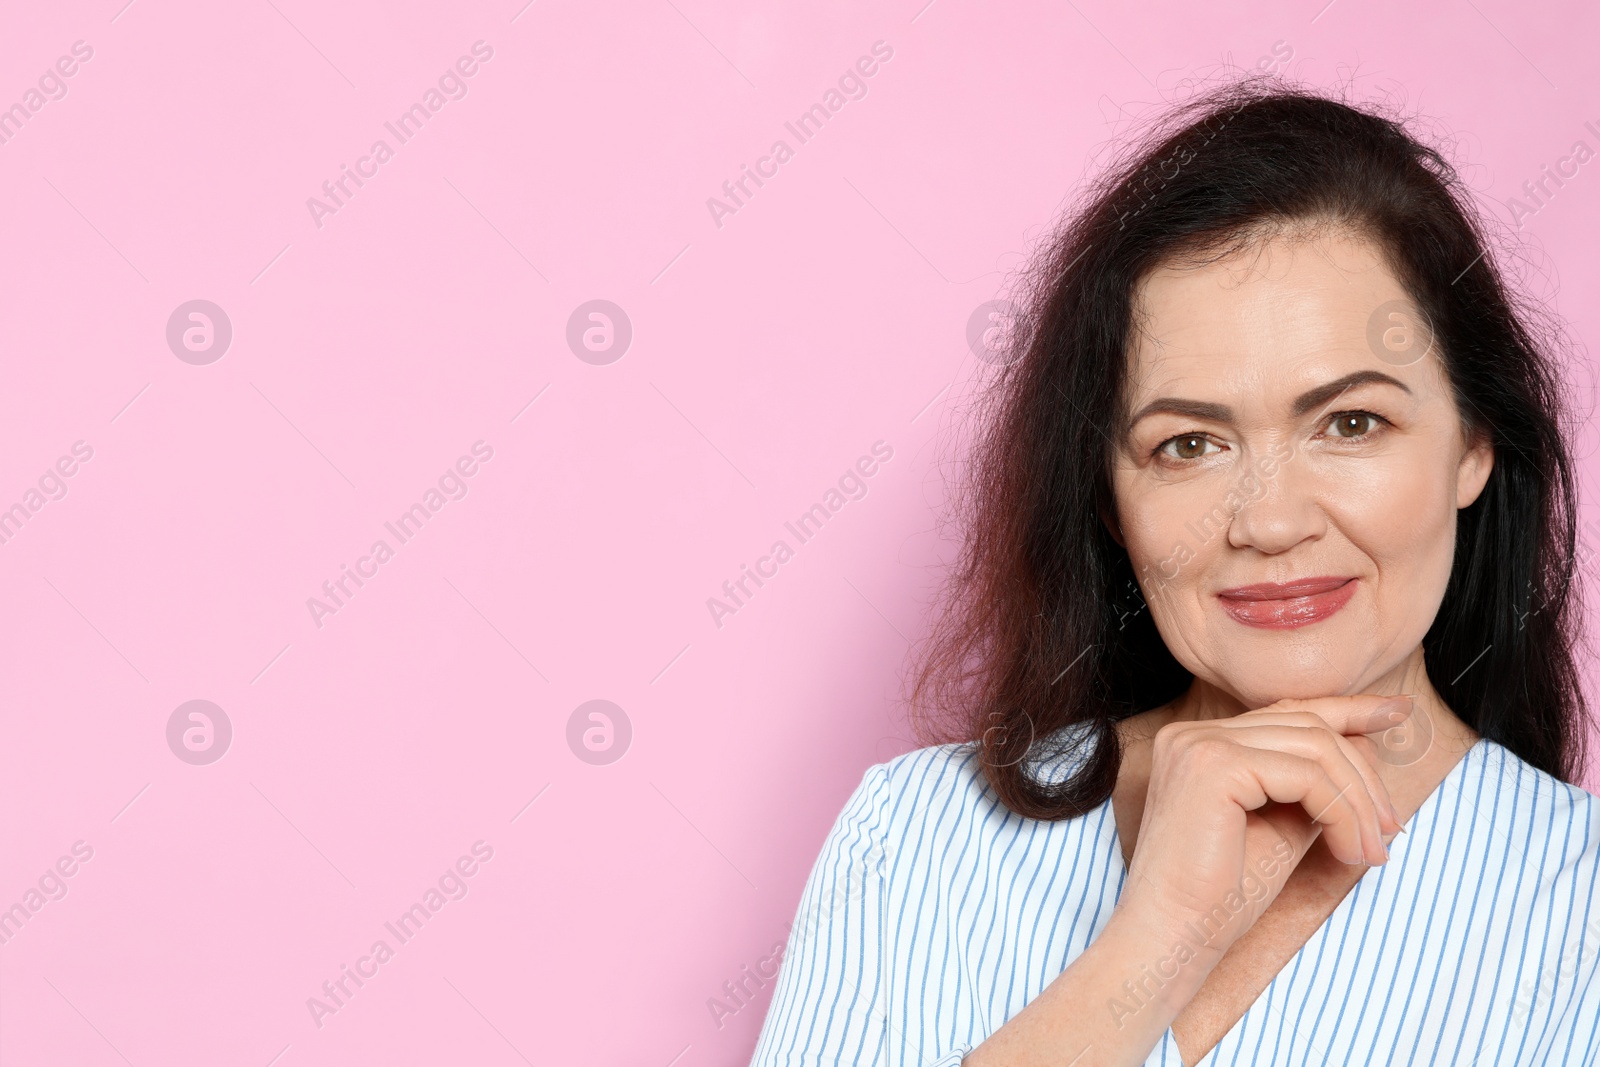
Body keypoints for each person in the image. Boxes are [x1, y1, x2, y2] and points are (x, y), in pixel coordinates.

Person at [747, 77, 1600, 1067]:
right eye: (1188, 444)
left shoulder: (1577, 908)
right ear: (1111, 499)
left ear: (1471, 446)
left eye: (1351, 422)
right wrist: (1153, 947)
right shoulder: (909, 841)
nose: (1270, 521)